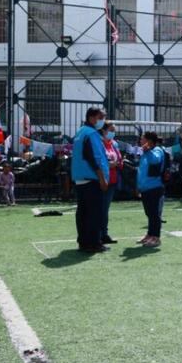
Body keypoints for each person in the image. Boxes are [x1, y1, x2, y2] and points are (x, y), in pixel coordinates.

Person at [71, 107, 110, 253]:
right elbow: (94, 157)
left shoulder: (80, 132)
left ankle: (83, 242)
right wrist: (102, 178)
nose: (103, 121)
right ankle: (94, 243)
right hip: (91, 178)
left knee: (83, 212)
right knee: (95, 212)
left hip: (80, 178)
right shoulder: (92, 133)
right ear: (92, 118)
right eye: (101, 117)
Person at [136, 131, 167, 247]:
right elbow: (141, 171)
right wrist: (138, 186)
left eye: (142, 139)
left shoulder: (157, 150)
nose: (140, 141)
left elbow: (155, 160)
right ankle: (149, 235)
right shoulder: (145, 153)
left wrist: (147, 151)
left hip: (155, 188)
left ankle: (156, 237)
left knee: (154, 214)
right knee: (149, 213)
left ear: (148, 141)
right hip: (145, 188)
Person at [100, 122, 122, 244]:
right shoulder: (99, 144)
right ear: (104, 131)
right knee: (100, 208)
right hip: (102, 180)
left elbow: (118, 159)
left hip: (112, 180)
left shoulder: (113, 144)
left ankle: (104, 234)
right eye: (111, 130)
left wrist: (118, 163)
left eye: (114, 130)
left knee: (105, 209)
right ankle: (99, 234)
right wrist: (109, 164)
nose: (113, 132)